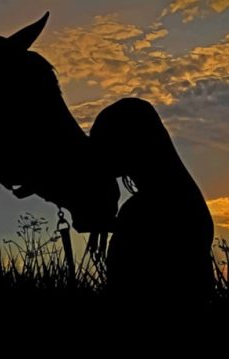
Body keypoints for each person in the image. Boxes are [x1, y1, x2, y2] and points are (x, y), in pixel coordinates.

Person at [90, 98, 214, 329]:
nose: (97, 155)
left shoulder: (144, 209)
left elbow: (126, 296)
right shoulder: (183, 199)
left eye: (104, 143)